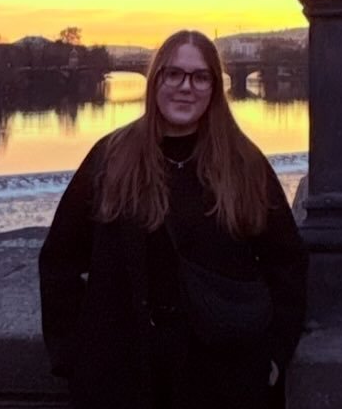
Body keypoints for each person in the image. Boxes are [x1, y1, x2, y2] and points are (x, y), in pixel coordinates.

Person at [39, 30, 307, 409]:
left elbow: (287, 263)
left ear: (215, 88)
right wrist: (73, 357)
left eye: (200, 77)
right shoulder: (111, 157)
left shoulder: (243, 163)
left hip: (221, 375)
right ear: (156, 81)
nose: (186, 87)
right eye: (174, 74)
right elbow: (59, 260)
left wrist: (275, 354)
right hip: (123, 373)